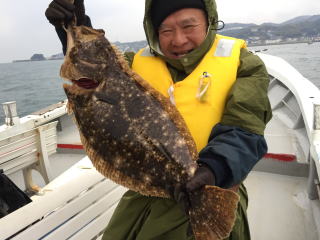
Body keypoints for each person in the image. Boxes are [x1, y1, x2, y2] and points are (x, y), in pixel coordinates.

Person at [45, 0, 272, 239]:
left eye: (189, 26)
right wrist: (72, 26)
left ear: (209, 22)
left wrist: (213, 168)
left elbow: (246, 128)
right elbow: (93, 73)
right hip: (146, 195)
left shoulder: (246, 65)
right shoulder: (132, 66)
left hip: (214, 188)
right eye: (166, 30)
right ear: (153, 32)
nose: (179, 40)